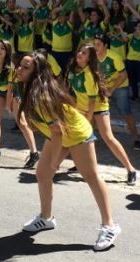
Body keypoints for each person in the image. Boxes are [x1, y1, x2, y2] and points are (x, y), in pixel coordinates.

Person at [15, 50, 121, 251]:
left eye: (25, 67)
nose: (19, 69)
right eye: (20, 65)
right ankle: (46, 218)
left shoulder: (42, 96)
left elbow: (57, 133)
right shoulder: (28, 88)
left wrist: (55, 161)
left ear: (37, 73)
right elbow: (51, 129)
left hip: (77, 133)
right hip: (61, 132)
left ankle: (110, 225)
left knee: (90, 176)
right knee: (42, 174)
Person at [66, 44, 139, 183]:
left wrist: (88, 119)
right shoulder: (72, 70)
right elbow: (70, 90)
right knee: (79, 139)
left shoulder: (89, 74)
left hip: (98, 106)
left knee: (108, 138)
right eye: (79, 51)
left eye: (84, 53)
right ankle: (80, 164)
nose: (79, 54)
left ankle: (131, 169)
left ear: (89, 59)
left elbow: (92, 101)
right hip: (83, 107)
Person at [95, 34, 140, 152]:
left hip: (120, 86)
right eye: (94, 44)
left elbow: (124, 75)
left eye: (98, 45)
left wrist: (111, 90)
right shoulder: (93, 58)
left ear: (105, 46)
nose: (95, 47)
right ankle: (90, 138)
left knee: (126, 113)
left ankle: (136, 139)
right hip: (104, 87)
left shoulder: (114, 57)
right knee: (96, 112)